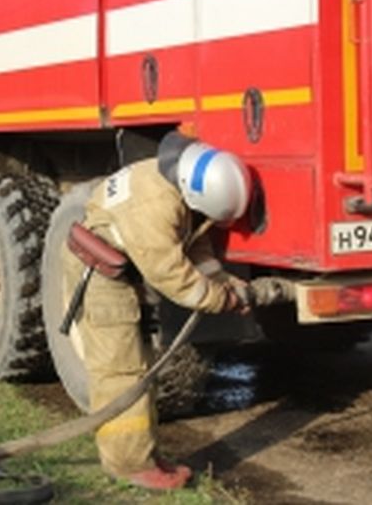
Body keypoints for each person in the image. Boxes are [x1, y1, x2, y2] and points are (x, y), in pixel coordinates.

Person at [63, 131, 252, 490]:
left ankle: (145, 454)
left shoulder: (178, 181)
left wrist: (226, 282)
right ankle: (130, 465)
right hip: (99, 275)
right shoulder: (153, 209)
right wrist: (220, 300)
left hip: (118, 265)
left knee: (140, 367)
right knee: (121, 371)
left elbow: (196, 247)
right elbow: (175, 278)